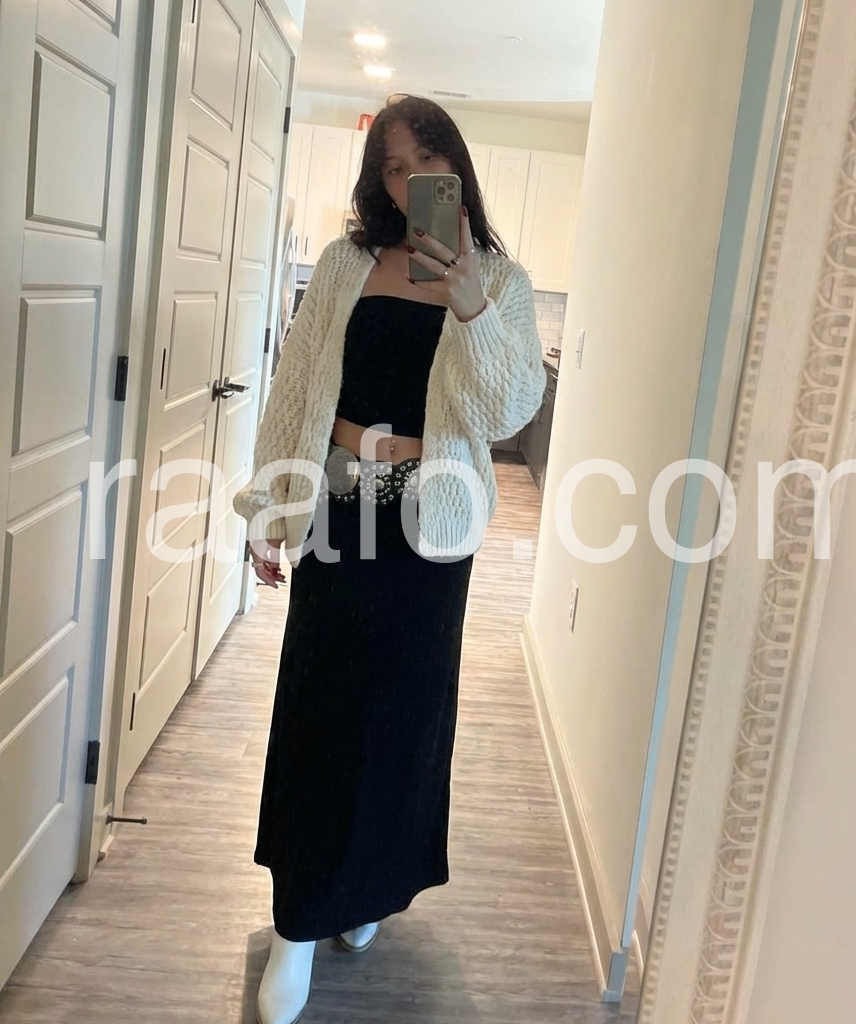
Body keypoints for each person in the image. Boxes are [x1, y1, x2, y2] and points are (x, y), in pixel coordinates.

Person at [232, 94, 546, 1024]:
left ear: (457, 169)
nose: (412, 183)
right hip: (337, 511)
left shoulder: (501, 281)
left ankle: (364, 887)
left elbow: (506, 411)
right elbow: (297, 388)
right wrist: (268, 508)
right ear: (380, 181)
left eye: (427, 162)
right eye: (395, 168)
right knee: (319, 709)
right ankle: (297, 924)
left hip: (430, 528)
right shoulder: (346, 264)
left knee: (401, 720)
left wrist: (473, 306)